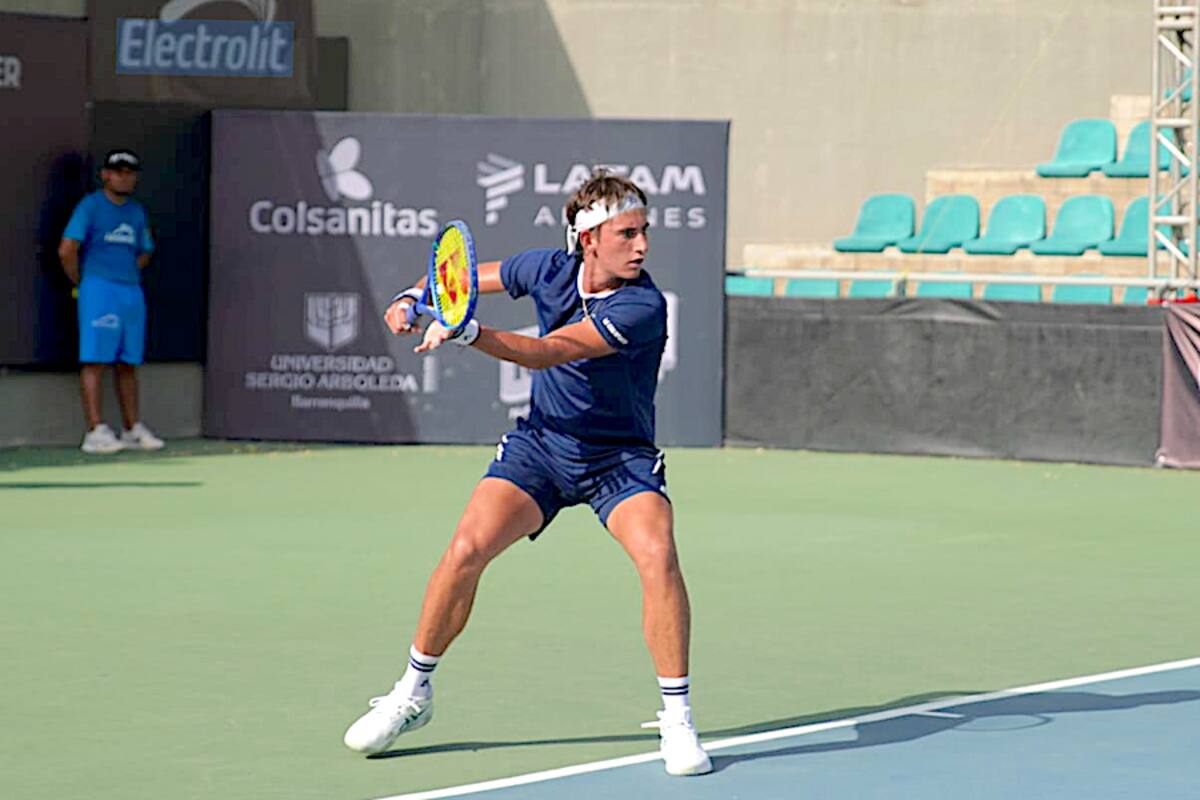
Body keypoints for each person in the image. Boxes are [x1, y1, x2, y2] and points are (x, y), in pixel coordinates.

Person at [343, 171, 712, 776]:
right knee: (465, 549)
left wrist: (469, 332)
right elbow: (454, 280)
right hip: (541, 447)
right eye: (628, 233)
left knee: (657, 555)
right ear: (589, 238)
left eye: (645, 231)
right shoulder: (545, 267)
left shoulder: (642, 304)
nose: (642, 245)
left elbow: (551, 351)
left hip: (617, 458)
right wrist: (413, 299)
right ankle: (413, 692)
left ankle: (677, 720)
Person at [59, 149, 164, 454]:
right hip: (98, 290)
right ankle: (95, 431)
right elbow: (67, 249)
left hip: (130, 291)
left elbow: (144, 251)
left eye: (129, 172)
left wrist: (127, 274)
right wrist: (85, 282)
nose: (123, 176)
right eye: (117, 171)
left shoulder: (136, 212)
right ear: (105, 175)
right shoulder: (90, 207)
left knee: (128, 361)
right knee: (96, 359)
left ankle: (132, 428)